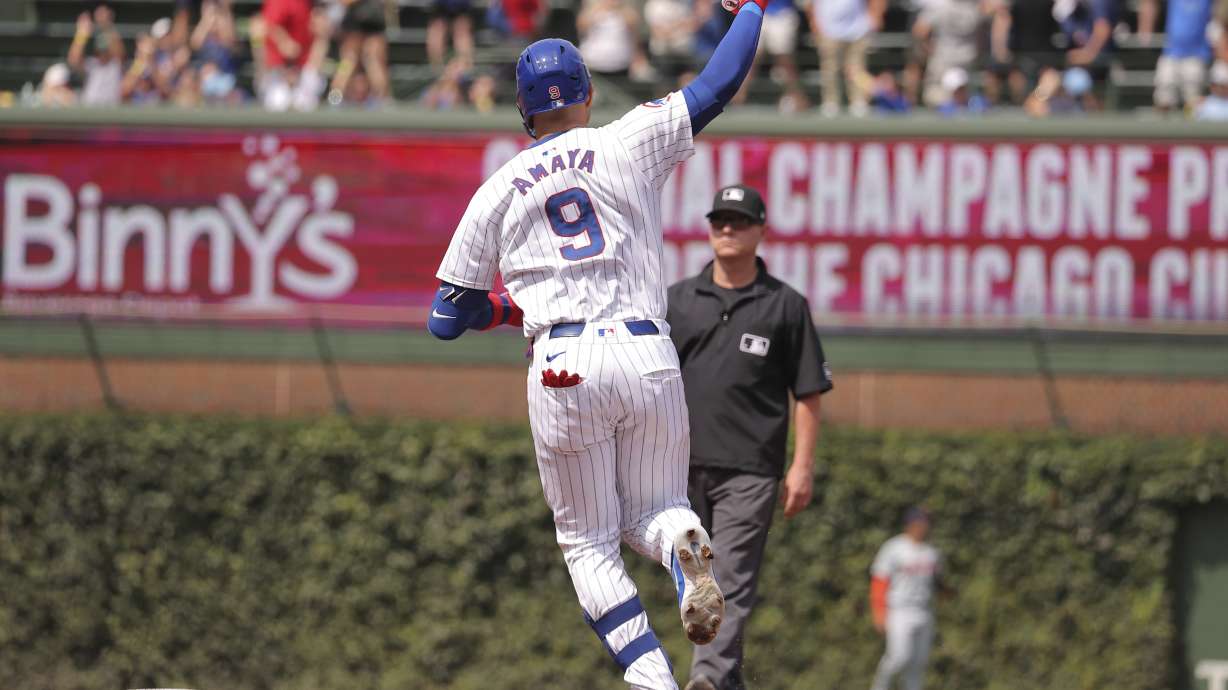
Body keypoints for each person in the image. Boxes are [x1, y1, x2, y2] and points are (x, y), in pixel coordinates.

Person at [427, 0, 771, 684]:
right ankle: (683, 546)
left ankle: (653, 682)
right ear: (585, 95)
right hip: (647, 351)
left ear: (524, 114)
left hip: (562, 360)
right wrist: (753, 7)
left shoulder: (496, 190)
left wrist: (503, 310)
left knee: (588, 543)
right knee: (660, 509)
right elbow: (718, 84)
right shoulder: (624, 139)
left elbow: (444, 314)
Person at [665, 184, 833, 690]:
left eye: (739, 221)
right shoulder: (676, 301)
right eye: (720, 220)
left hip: (750, 471)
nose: (728, 229)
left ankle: (708, 679)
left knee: (729, 579)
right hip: (679, 470)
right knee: (694, 583)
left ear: (762, 230)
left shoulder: (784, 305)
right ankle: (726, 680)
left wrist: (802, 465)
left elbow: (807, 392)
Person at [869, 507, 945, 690]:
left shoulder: (931, 552)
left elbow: (937, 582)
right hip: (899, 609)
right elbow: (880, 581)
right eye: (920, 523)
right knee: (898, 657)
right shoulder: (894, 548)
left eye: (926, 523)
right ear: (909, 524)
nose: (923, 527)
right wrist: (879, 611)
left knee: (918, 664)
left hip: (924, 610)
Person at [810, 0, 885, 115]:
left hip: (858, 28)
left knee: (857, 69)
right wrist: (814, 23)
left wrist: (876, 14)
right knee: (830, 70)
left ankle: (859, 101)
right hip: (828, 29)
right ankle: (830, 102)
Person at [1138, 0, 1214, 113]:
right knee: (1163, 99)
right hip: (1170, 54)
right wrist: (1145, 29)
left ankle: (1192, 130)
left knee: (1193, 101)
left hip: (1197, 55)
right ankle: (1161, 130)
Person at [330, 0, 390, 105]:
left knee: (372, 60)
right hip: (355, 20)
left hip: (373, 19)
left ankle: (383, 101)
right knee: (348, 61)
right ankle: (334, 100)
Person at [67, 4, 125, 106]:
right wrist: (81, 34)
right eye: (100, 50)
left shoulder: (115, 64)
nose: (103, 52)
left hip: (111, 113)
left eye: (105, 49)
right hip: (90, 112)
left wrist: (106, 24)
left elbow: (119, 52)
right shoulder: (91, 64)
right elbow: (73, 60)